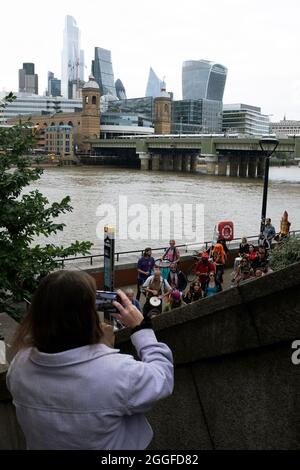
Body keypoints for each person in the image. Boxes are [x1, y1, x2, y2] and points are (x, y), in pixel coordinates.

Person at [6, 271, 173, 450]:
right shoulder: (117, 373)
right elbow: (162, 377)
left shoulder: (19, 366)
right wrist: (141, 328)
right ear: (87, 316)